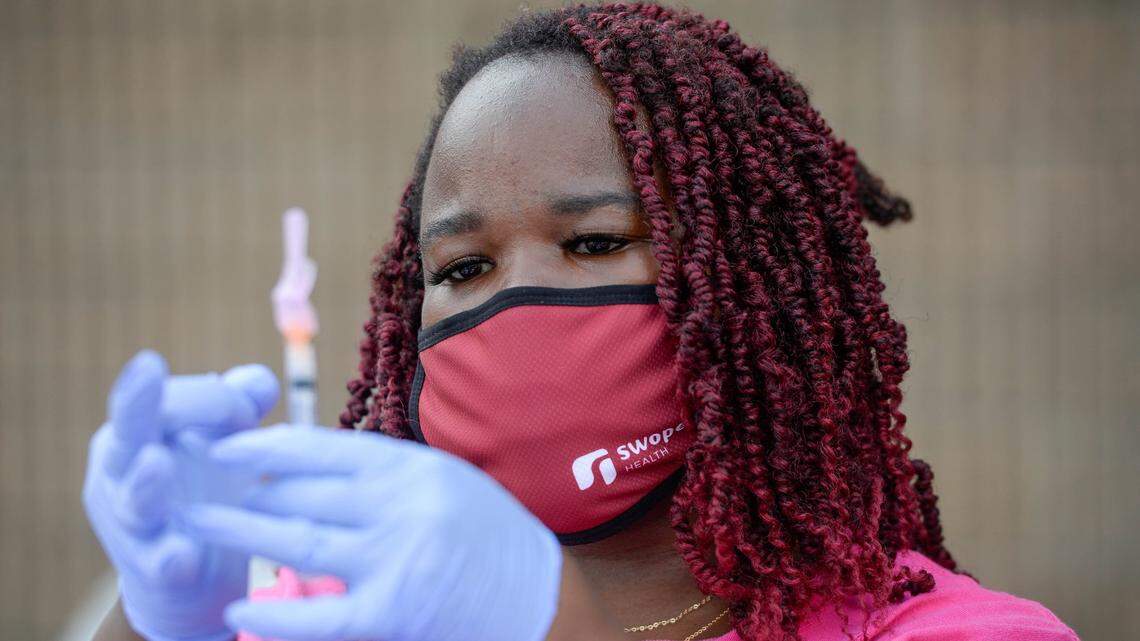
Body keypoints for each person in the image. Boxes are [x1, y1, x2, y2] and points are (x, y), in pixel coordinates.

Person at [82, 3, 1081, 641]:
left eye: (596, 242)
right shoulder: (330, 611)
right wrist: (163, 615)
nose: (514, 305)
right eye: (464, 266)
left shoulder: (951, 631)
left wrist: (541, 618)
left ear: (750, 284)